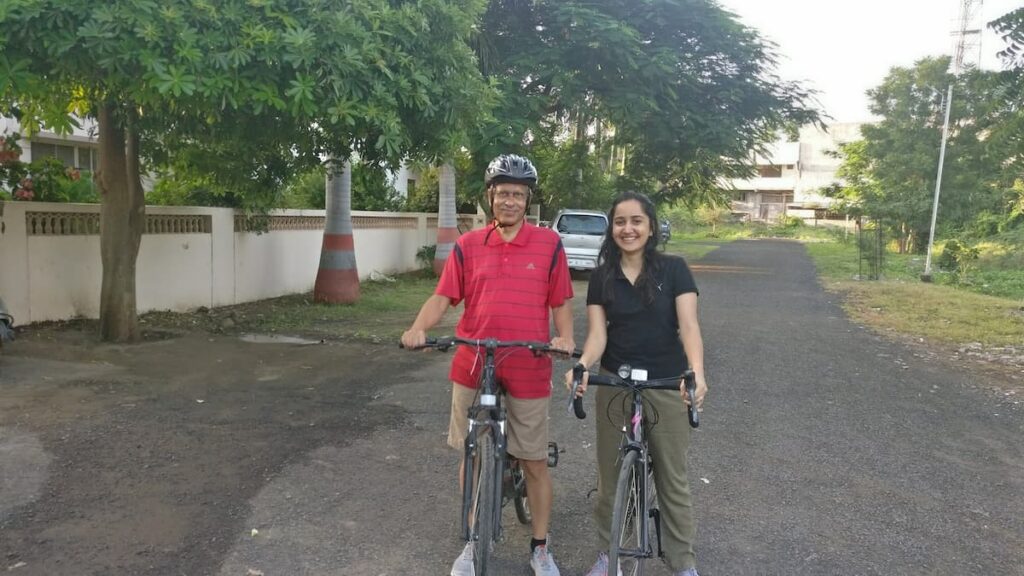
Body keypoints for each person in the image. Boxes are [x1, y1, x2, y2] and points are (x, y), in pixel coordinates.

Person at [401, 153, 575, 576]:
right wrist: (417, 329)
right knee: (471, 455)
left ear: (528, 199)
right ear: (490, 198)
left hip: (529, 364)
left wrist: (565, 338)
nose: (509, 201)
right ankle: (471, 541)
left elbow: (560, 302)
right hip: (473, 362)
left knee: (533, 461)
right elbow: (442, 298)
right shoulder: (467, 246)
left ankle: (539, 547)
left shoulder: (549, 244)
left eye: (517, 194)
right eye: (502, 194)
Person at [565, 191, 708, 576]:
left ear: (651, 226)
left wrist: (697, 373)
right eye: (620, 222)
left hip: (667, 382)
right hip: (615, 381)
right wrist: (581, 365)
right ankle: (608, 553)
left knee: (672, 479)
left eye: (636, 221)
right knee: (610, 479)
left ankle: (683, 563)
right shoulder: (602, 277)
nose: (627, 229)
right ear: (612, 229)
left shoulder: (675, 270)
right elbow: (597, 336)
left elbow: (690, 327)